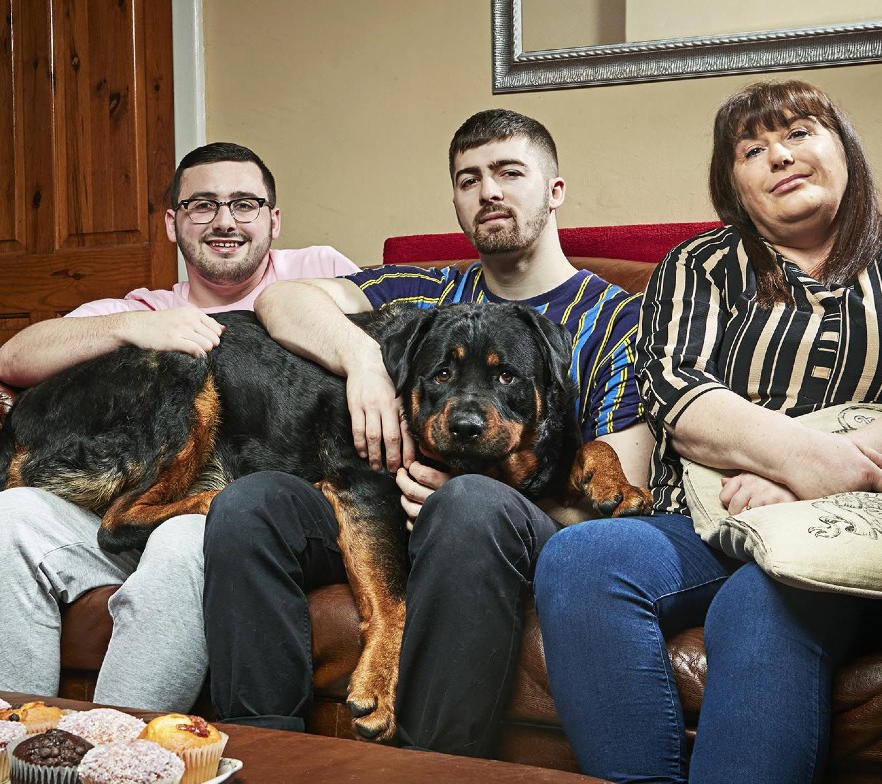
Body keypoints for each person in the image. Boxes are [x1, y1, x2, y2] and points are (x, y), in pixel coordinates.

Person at [532, 80, 882, 783]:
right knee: (581, 559)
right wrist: (800, 460)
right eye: (753, 148)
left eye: (799, 132)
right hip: (717, 518)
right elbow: (679, 393)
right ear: (733, 185)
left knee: (764, 596)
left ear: (845, 149)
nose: (779, 155)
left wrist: (805, 482)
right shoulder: (699, 269)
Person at [201, 109, 651, 756]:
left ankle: (432, 766)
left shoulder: (615, 320)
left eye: (508, 172)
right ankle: (269, 754)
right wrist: (365, 365)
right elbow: (281, 301)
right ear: (457, 201)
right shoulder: (427, 291)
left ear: (554, 191)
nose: (488, 191)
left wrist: (478, 496)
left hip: (519, 528)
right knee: (252, 504)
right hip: (391, 507)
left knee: (468, 504)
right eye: (469, 179)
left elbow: (618, 505)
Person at [0, 142, 359, 711]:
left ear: (273, 218)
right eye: (202, 206)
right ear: (172, 223)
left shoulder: (321, 270)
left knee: (183, 536)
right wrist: (132, 328)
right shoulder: (145, 306)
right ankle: (13, 743)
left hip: (237, 525)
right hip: (135, 509)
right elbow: (14, 359)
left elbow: (381, 332)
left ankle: (118, 755)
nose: (225, 222)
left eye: (245, 204)